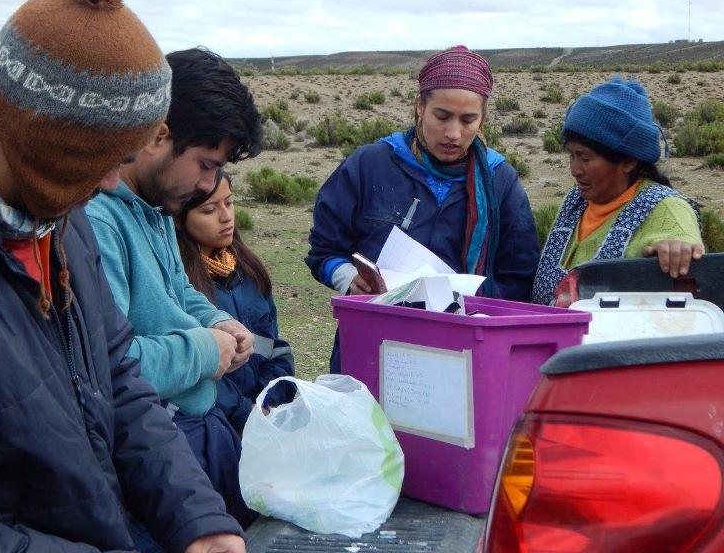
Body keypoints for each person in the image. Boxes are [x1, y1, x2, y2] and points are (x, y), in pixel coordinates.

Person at [0, 0, 244, 553]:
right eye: (99, 159)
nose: (107, 183)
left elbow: (117, 375)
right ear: (40, 136)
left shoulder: (56, 218)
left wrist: (198, 520)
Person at [86, 47, 263, 527]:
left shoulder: (157, 206)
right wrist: (206, 351)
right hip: (149, 452)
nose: (208, 185)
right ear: (159, 135)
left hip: (197, 427)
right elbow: (109, 367)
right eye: (205, 164)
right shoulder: (98, 222)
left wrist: (218, 321)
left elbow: (176, 292)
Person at [306, 45, 540, 372]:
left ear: (483, 118)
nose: (453, 133)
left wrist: (467, 303)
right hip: (372, 343)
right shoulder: (370, 165)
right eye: (441, 116)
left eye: (468, 119)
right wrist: (347, 277)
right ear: (419, 106)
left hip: (462, 356)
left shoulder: (501, 182)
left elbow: (520, 278)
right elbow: (325, 249)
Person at [532, 77, 704, 306]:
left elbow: (683, 242)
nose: (574, 170)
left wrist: (677, 248)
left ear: (629, 162)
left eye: (584, 158)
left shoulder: (668, 209)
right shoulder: (577, 201)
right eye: (571, 155)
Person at [176, 171, 296, 434]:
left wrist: (268, 400)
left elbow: (274, 348)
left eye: (229, 203)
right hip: (211, 425)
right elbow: (191, 373)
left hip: (263, 417)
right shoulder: (179, 286)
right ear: (179, 219)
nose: (226, 217)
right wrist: (243, 411)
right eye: (209, 210)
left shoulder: (250, 273)